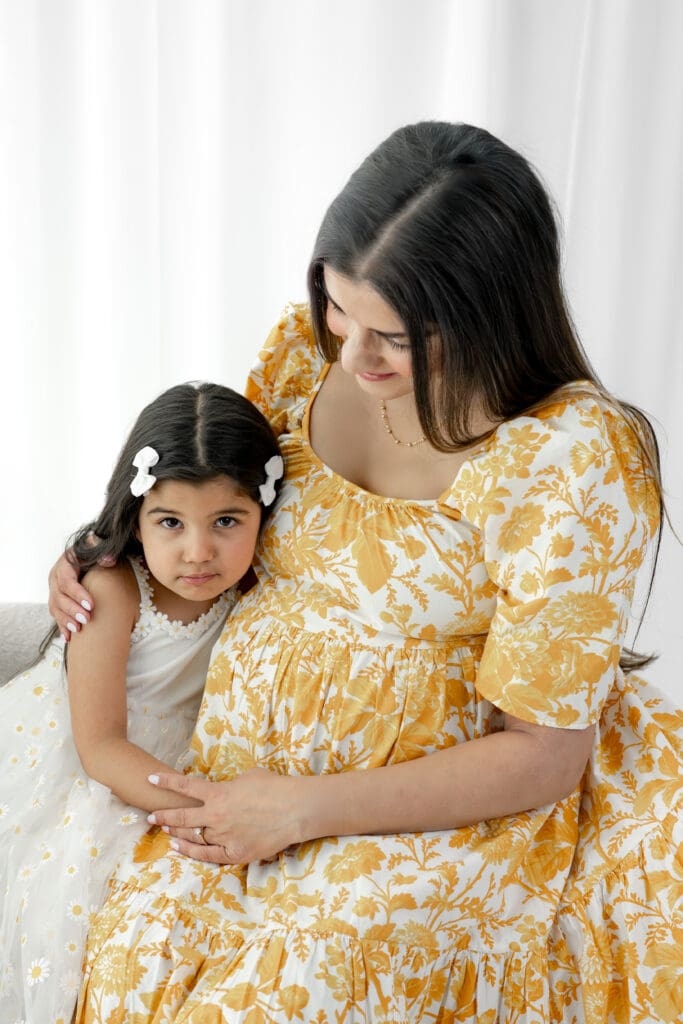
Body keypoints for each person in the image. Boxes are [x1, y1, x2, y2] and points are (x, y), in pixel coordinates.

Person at [55, 122, 680, 1022]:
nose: (352, 355)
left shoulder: (573, 458)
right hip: (237, 778)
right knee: (135, 972)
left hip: (436, 809)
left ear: (489, 314)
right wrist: (97, 549)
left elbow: (543, 754)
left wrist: (301, 811)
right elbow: (204, 505)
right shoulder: (305, 351)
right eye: (338, 307)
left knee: (287, 990)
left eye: (394, 334)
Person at [0, 382, 283, 1024]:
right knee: (61, 907)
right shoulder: (114, 587)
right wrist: (210, 809)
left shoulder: (264, 584)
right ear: (137, 512)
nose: (198, 552)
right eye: (170, 522)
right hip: (87, 762)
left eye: (227, 522)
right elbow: (99, 747)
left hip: (177, 760)